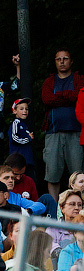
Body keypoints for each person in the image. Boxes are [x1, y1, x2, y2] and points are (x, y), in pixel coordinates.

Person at [43, 50, 84, 201]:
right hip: (53, 132)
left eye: (65, 58)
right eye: (58, 59)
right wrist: (68, 96)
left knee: (78, 175)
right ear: (55, 62)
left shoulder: (79, 79)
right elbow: (47, 99)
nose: (62, 61)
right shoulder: (49, 81)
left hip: (76, 132)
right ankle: (55, 211)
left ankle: (80, 208)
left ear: (71, 61)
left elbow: (77, 96)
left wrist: (58, 97)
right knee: (52, 174)